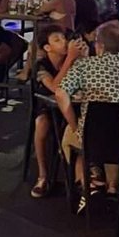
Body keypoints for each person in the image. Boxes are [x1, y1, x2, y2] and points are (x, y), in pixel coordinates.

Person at [52, 21, 119, 209]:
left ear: (100, 46)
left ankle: (86, 184)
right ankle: (112, 187)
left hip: (93, 138)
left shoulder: (85, 65)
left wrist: (75, 125)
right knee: (112, 135)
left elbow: (61, 93)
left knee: (69, 136)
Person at [27, 24, 79, 198]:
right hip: (46, 107)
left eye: (63, 38)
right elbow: (55, 87)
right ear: (47, 47)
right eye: (57, 40)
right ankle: (43, 175)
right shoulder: (42, 66)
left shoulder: (74, 61)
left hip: (71, 107)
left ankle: (83, 176)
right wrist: (70, 58)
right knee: (42, 124)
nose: (64, 42)